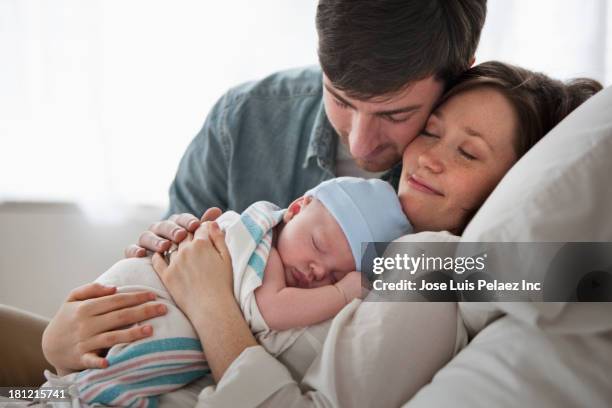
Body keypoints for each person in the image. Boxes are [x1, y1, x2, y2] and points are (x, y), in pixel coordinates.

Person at [43, 62, 602, 407]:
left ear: (513, 184)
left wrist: (212, 300)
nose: (427, 157)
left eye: (468, 152)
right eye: (430, 131)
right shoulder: (379, 234)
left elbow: (584, 274)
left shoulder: (433, 260)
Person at [33, 0, 489, 381]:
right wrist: (62, 342)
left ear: (460, 77)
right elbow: (162, 285)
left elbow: (544, 277)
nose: (359, 141)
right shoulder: (244, 120)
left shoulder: (477, 170)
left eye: (394, 115)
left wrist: (213, 305)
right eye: (341, 100)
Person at [45, 178, 409, 407]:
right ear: (296, 208)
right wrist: (342, 291)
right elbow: (272, 310)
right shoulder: (264, 244)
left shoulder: (435, 266)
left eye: (334, 274)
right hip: (134, 301)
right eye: (317, 244)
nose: (317, 271)